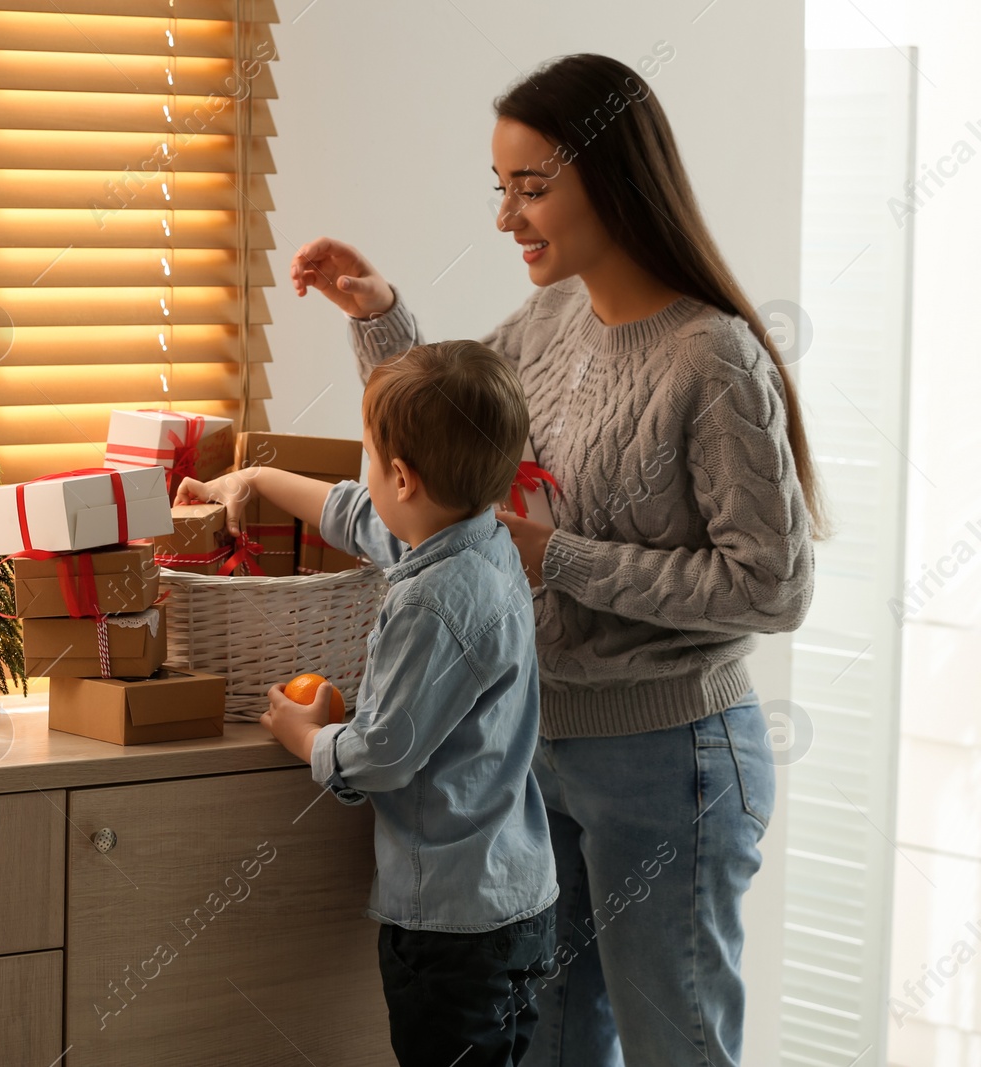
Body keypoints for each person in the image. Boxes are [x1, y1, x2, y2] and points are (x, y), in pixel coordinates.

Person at [285, 52, 823, 1067]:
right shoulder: (549, 320)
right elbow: (448, 448)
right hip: (536, 755)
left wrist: (560, 557)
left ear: (614, 178)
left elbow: (772, 585)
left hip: (672, 765)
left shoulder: (710, 358)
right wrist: (378, 318)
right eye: (503, 189)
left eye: (532, 189)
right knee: (552, 1048)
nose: (508, 217)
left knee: (678, 1045)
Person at [176, 340, 558, 1066]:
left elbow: (383, 752)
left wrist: (303, 734)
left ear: (404, 478)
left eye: (371, 458)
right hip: (517, 898)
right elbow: (356, 515)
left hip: (452, 927)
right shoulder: (482, 543)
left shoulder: (433, 602)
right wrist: (252, 477)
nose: (366, 476)